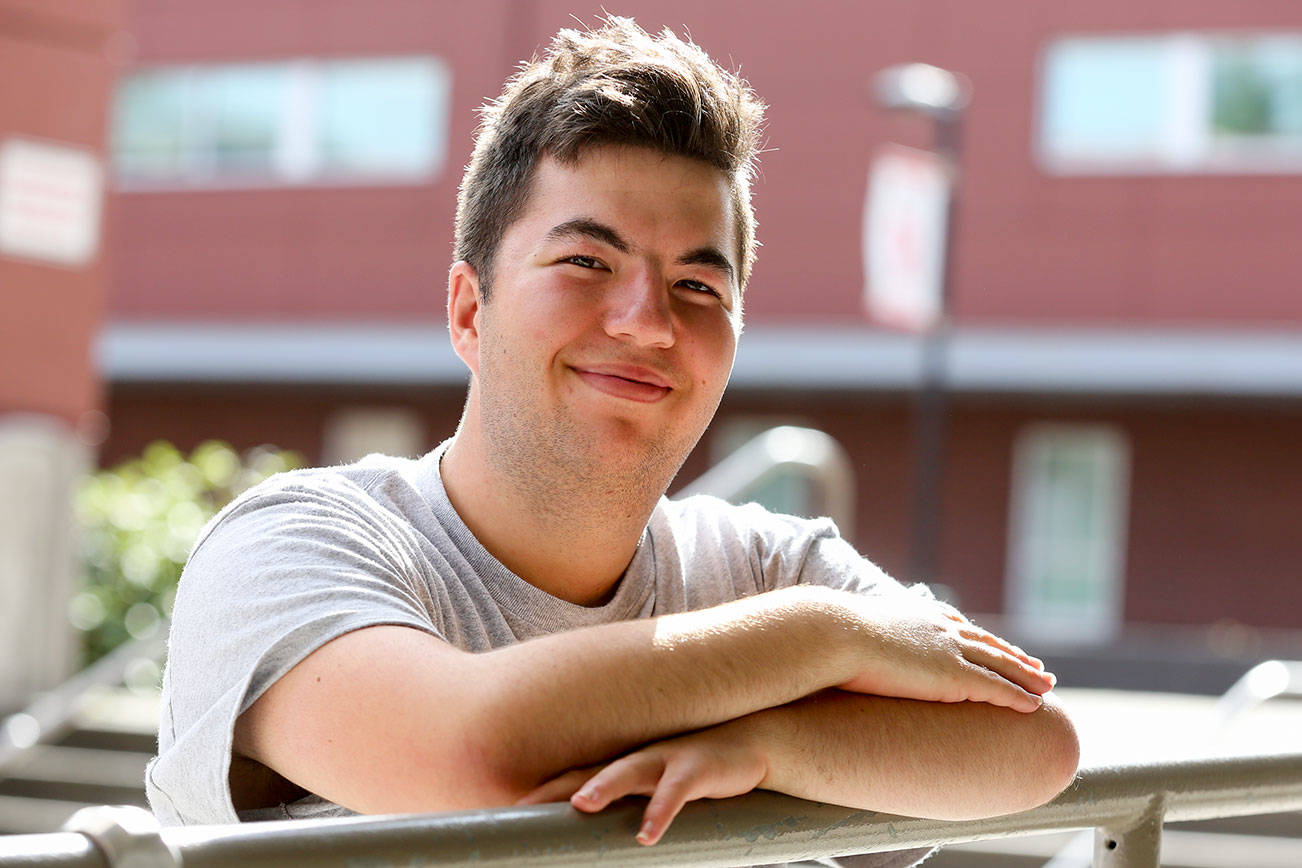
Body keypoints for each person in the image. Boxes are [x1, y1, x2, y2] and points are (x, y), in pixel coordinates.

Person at [146, 16, 1078, 864]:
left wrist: (763, 744)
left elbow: (1035, 745)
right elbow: (470, 759)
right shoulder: (292, 543)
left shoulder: (758, 562)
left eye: (698, 287)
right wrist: (824, 636)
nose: (647, 322)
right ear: (470, 311)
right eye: (587, 262)